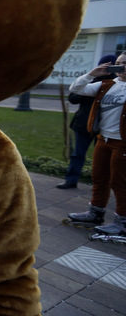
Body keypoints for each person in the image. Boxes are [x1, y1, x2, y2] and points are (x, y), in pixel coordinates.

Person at [67, 52, 126, 235]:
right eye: (118, 62)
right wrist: (92, 74)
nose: (121, 66)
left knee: (120, 181)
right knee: (99, 177)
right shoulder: (107, 85)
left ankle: (122, 221)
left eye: (125, 63)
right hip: (103, 138)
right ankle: (95, 212)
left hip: (122, 142)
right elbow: (76, 89)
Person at [57, 54, 116, 189]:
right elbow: (73, 98)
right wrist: (91, 87)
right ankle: (71, 180)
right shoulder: (91, 80)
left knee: (102, 157)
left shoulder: (116, 83)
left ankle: (100, 184)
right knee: (78, 154)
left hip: (105, 126)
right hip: (84, 123)